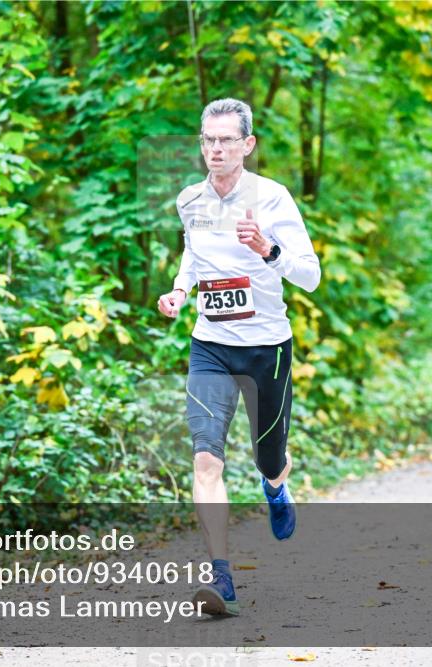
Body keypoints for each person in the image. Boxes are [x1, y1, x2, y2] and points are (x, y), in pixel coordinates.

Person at [157, 98, 320, 616]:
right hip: (211, 345)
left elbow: (310, 275)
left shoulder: (272, 199)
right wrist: (181, 290)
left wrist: (267, 251)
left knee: (267, 457)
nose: (216, 149)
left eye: (227, 139)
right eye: (209, 140)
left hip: (267, 346)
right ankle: (220, 577)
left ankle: (276, 484)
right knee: (206, 457)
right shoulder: (189, 199)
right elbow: (192, 250)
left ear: (247, 145)